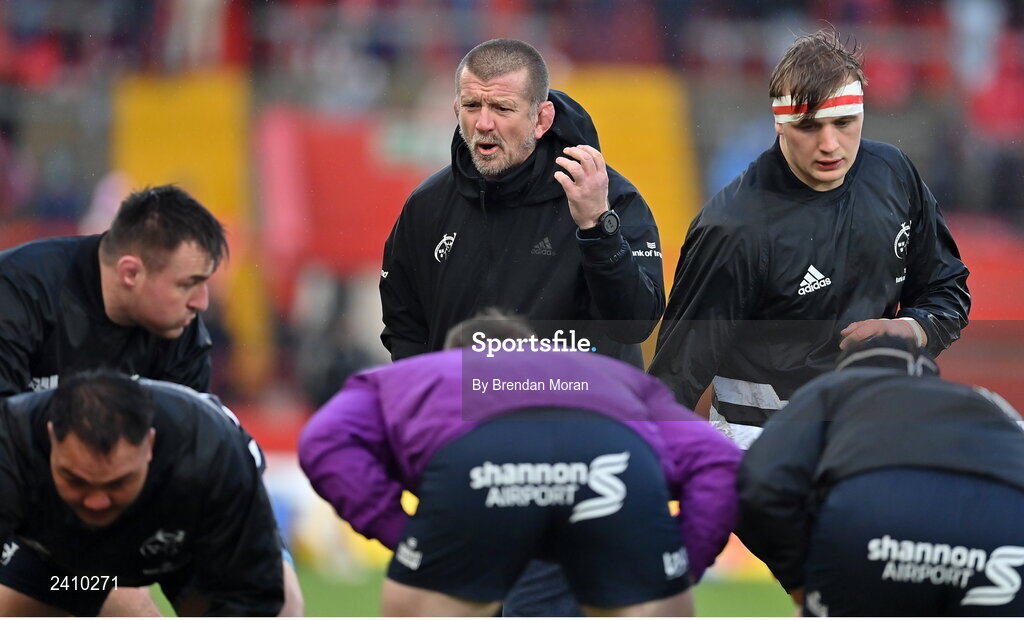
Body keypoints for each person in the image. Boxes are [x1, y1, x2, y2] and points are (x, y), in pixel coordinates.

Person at [649, 29, 971, 448]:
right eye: (809, 126)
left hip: (868, 431)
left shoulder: (894, 175)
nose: (829, 144)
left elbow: (948, 291)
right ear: (780, 124)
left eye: (843, 123)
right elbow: (676, 377)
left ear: (861, 114)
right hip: (760, 441)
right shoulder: (733, 228)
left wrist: (912, 329)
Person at [299, 314, 741, 617]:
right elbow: (720, 461)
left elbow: (323, 441)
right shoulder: (614, 378)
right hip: (612, 462)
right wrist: (681, 565)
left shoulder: (414, 376)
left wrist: (400, 530)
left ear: (452, 357)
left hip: (478, 471)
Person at [379, 38, 665, 370]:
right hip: (462, 418)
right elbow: (405, 326)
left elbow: (635, 324)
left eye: (502, 108)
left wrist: (598, 228)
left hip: (576, 417)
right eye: (472, 106)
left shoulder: (609, 198)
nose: (484, 123)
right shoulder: (427, 203)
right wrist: (425, 400)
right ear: (457, 109)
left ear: (541, 119)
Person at [737, 335, 1024, 616]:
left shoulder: (831, 389)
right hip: (1000, 535)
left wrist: (799, 577)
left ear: (846, 371)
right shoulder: (984, 400)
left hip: (872, 528)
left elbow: (760, 482)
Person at [0, 370, 301, 616]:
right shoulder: (9, 451)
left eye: (118, 483)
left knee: (283, 609)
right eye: (75, 480)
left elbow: (250, 597)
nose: (96, 501)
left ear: (150, 446)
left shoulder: (210, 454)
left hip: (187, 553)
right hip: (70, 571)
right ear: (50, 438)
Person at [0, 183, 226, 396]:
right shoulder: (16, 293)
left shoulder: (182, 331)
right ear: (130, 273)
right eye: (187, 284)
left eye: (204, 282)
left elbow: (187, 433)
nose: (201, 302)